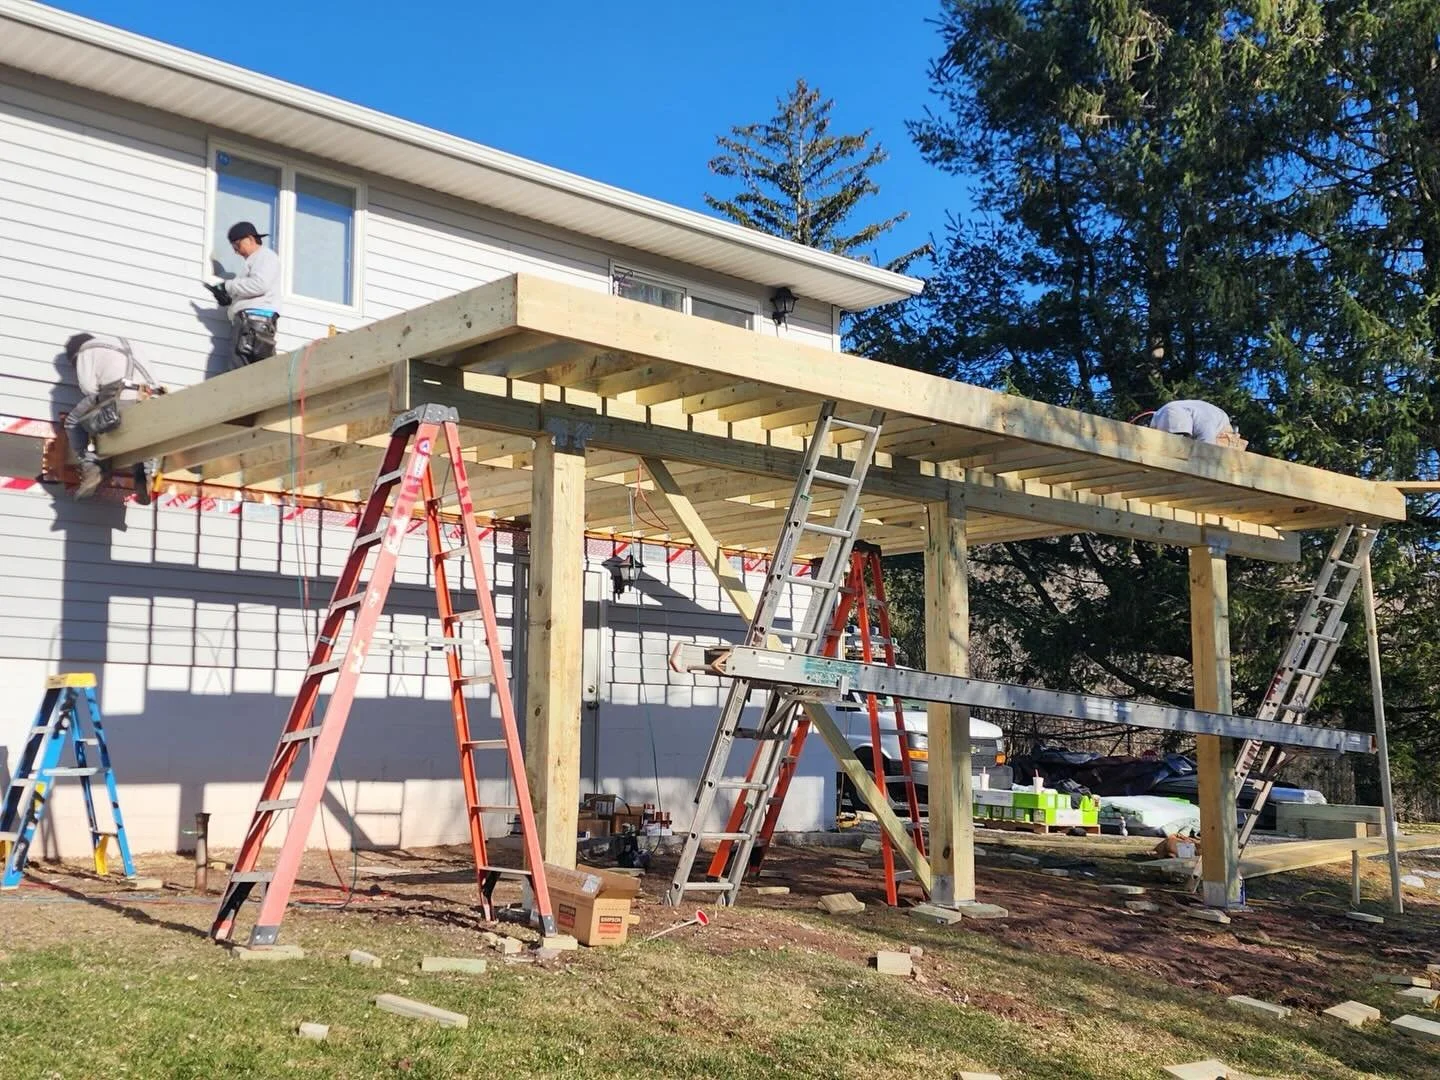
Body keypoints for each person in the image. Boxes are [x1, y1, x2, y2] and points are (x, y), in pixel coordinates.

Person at [63, 333, 159, 501]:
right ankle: (145, 475)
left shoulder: (85, 351)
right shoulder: (125, 342)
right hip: (153, 397)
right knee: (142, 431)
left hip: (121, 395)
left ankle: (92, 468)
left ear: (75, 356)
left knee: (76, 422)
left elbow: (89, 388)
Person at [205, 221, 281, 368]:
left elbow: (260, 284)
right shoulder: (255, 261)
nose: (236, 251)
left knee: (237, 373)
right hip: (255, 323)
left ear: (250, 239)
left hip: (253, 322)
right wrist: (230, 299)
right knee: (256, 374)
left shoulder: (265, 256)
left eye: (237, 245)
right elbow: (252, 287)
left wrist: (227, 286)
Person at [1150, 399, 1247, 449]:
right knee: (1178, 452)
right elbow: (1207, 449)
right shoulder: (1214, 423)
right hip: (1177, 415)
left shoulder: (1215, 415)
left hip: (1160, 414)